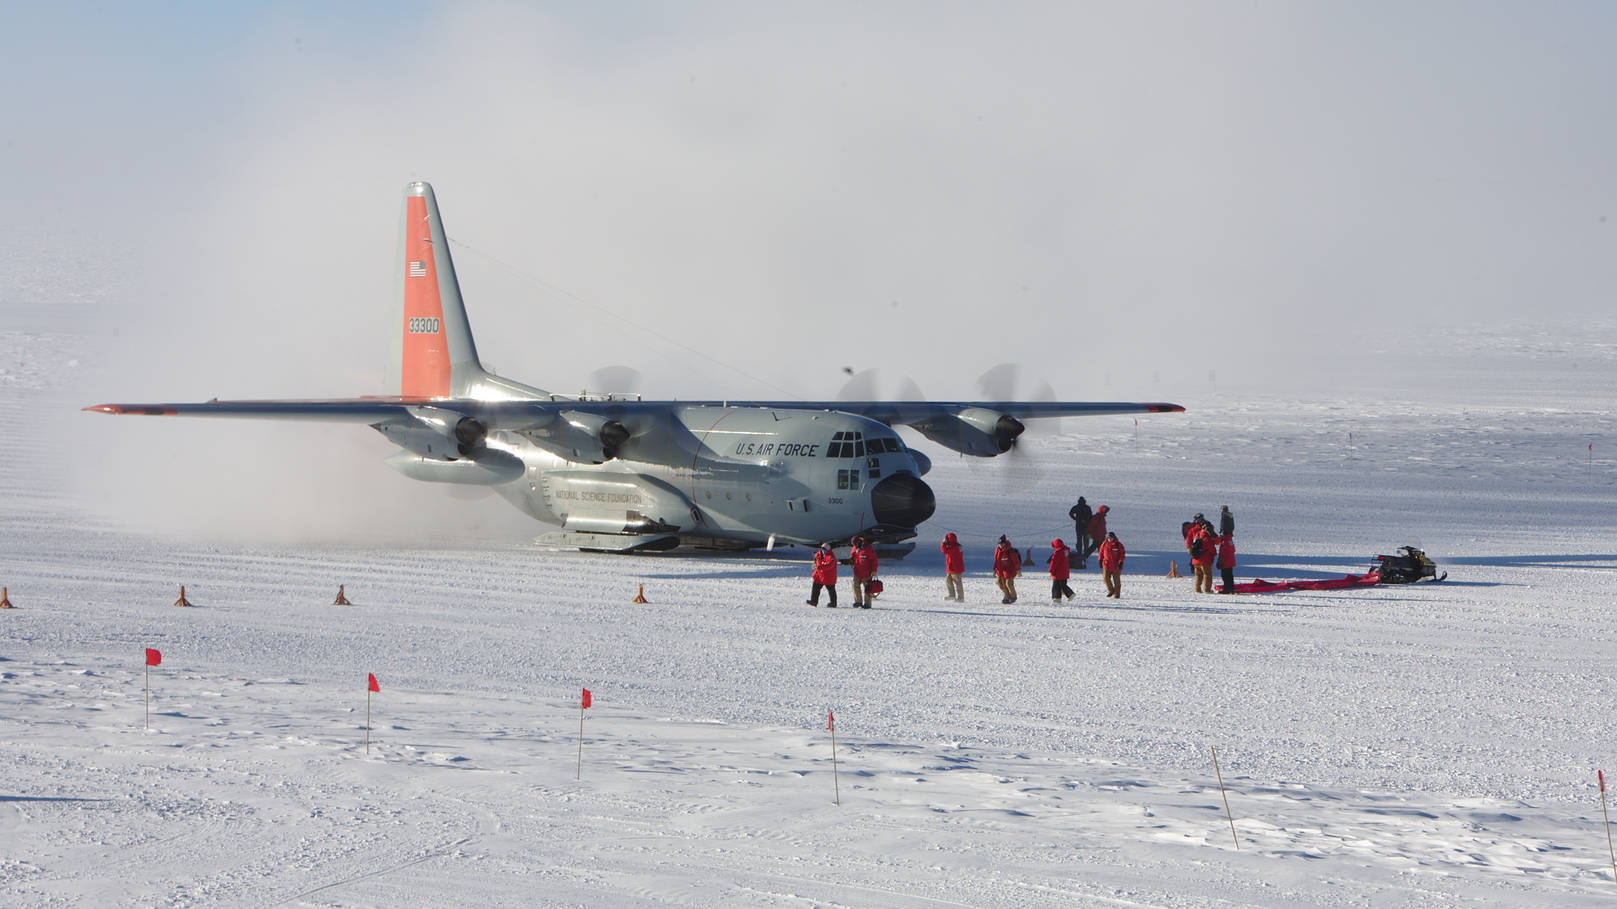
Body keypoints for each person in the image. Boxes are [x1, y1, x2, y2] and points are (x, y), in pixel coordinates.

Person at [1187, 519, 1215, 593]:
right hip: (1205, 560)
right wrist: (1214, 554)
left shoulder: (1197, 535)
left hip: (1195, 560)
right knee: (1207, 575)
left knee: (1198, 575)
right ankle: (1207, 589)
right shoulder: (1207, 537)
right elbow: (1212, 549)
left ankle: (1197, 589)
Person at [807, 542, 839, 607]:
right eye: (822, 548)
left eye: (824, 549)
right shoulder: (818, 555)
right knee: (815, 588)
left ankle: (833, 603)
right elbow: (816, 562)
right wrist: (815, 565)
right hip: (819, 576)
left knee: (831, 590)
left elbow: (830, 566)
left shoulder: (831, 557)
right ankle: (814, 601)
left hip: (828, 576)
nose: (822, 550)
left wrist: (820, 567)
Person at [850, 536, 878, 608]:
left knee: (867, 588)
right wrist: (851, 561)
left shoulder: (868, 548)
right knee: (855, 586)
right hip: (857, 572)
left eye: (855, 544)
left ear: (859, 542)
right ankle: (858, 602)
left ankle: (867, 604)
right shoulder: (854, 548)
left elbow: (874, 560)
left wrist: (874, 570)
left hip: (866, 572)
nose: (855, 546)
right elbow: (852, 556)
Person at [992, 535, 1021, 604]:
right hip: (1000, 571)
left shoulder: (1010, 551)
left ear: (1005, 543)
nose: (1000, 545)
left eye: (1002, 544)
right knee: (1000, 584)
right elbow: (996, 561)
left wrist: (1018, 570)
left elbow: (1016, 561)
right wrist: (994, 570)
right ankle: (1007, 596)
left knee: (1008, 583)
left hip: (1010, 571)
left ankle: (1013, 596)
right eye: (999, 544)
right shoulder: (997, 550)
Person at [1098, 531, 1126, 598]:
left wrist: (1121, 562)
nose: (1110, 539)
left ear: (1114, 538)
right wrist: (1100, 560)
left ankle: (1117, 594)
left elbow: (1122, 554)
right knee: (1106, 578)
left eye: (1111, 538)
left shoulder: (1118, 545)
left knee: (1117, 581)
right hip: (1106, 564)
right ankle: (1111, 590)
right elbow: (1101, 552)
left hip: (1116, 566)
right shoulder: (1104, 544)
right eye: (1109, 538)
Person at [1068, 497, 1093, 567]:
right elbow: (1091, 516)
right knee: (1084, 541)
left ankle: (1081, 553)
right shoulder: (1087, 507)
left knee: (1080, 540)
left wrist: (1075, 519)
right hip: (1085, 526)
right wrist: (1085, 520)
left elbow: (1070, 513)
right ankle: (1084, 554)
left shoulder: (1077, 507)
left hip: (1080, 526)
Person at [941, 532, 965, 602]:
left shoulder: (954, 547)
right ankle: (952, 595)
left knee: (958, 583)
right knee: (948, 581)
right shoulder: (955, 546)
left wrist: (943, 543)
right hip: (951, 567)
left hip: (956, 568)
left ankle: (961, 598)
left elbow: (944, 551)